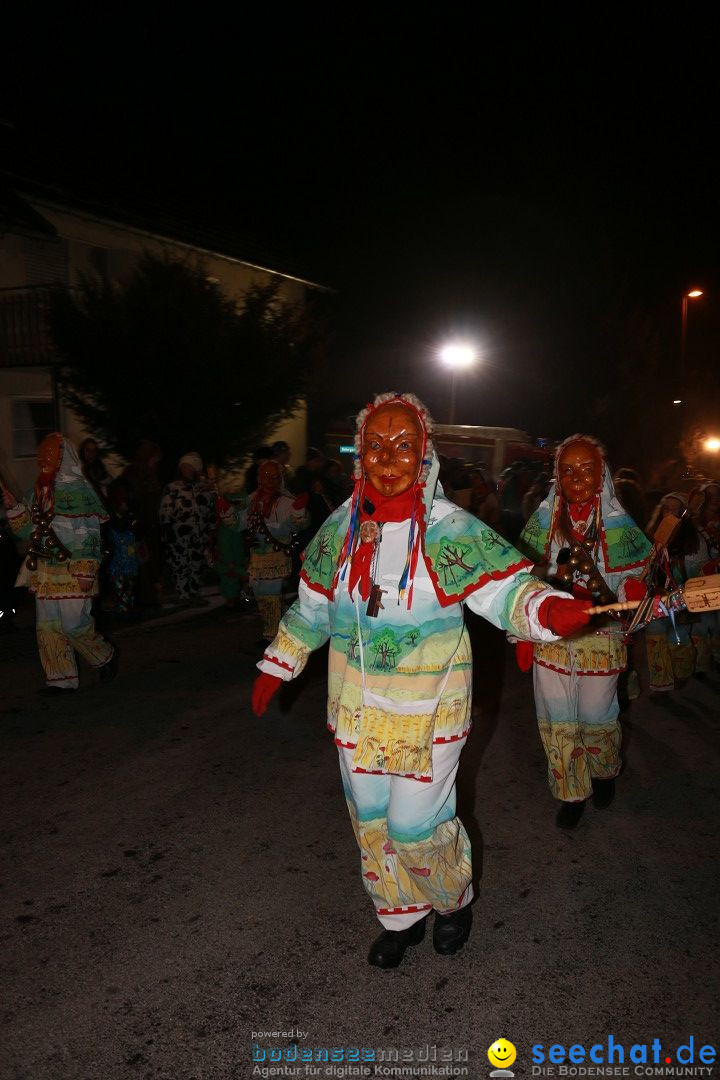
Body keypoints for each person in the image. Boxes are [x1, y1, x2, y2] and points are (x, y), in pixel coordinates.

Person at [251, 392, 590, 968]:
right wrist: (279, 662)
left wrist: (546, 611)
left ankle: (451, 899)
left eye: (402, 445)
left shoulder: (447, 528)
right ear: (360, 454)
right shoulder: (341, 527)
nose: (388, 458)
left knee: (413, 825)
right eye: (376, 446)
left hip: (429, 705)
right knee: (371, 817)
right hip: (356, 705)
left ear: (424, 452)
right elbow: (312, 606)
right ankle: (399, 916)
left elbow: (502, 591)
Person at [518, 434, 652, 829]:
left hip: (601, 633)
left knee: (596, 713)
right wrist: (521, 628)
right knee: (555, 716)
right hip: (553, 634)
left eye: (586, 469)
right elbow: (521, 578)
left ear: (601, 476)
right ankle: (571, 792)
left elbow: (633, 576)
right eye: (568, 469)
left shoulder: (617, 525)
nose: (576, 476)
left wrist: (634, 590)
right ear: (557, 476)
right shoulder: (542, 522)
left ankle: (605, 769)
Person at [2, 433, 118, 692]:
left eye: (49, 454)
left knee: (74, 624)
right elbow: (28, 531)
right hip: (44, 572)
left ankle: (103, 656)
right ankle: (60, 679)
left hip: (73, 571)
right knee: (48, 627)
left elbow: (89, 533)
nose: (43, 458)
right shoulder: (38, 492)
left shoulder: (80, 492)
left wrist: (86, 570)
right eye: (41, 454)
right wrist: (14, 508)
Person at [237, 460, 308, 641]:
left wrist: (298, 514)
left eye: (275, 477)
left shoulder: (286, 501)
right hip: (257, 557)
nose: (271, 480)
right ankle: (287, 623)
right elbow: (240, 522)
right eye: (267, 476)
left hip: (277, 556)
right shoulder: (252, 499)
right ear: (260, 478)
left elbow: (298, 525)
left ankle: (271, 636)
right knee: (262, 595)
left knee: (270, 594)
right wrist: (228, 514)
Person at [643, 493, 699, 694]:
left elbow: (695, 569)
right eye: (666, 509)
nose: (670, 513)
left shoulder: (692, 541)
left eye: (675, 509)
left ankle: (682, 671)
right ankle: (661, 683)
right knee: (655, 636)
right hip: (656, 598)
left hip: (681, 596)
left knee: (678, 637)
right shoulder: (650, 537)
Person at [159, 452, 216, 604]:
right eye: (184, 467)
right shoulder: (173, 488)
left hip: (199, 534)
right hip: (178, 536)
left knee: (197, 564)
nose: (187, 470)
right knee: (180, 564)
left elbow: (210, 512)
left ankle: (194, 593)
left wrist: (211, 531)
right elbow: (165, 510)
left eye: (190, 467)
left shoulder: (204, 490)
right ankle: (183, 595)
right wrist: (167, 529)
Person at [122, 440, 164, 607]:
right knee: (141, 562)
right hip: (138, 526)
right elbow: (134, 499)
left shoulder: (149, 474)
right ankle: (142, 599)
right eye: (154, 459)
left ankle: (150, 597)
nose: (156, 463)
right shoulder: (134, 473)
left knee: (149, 562)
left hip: (149, 525)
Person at [688, 481, 720, 673]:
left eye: (717, 495)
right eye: (710, 495)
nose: (714, 499)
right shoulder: (692, 523)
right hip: (701, 575)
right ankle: (701, 661)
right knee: (703, 618)